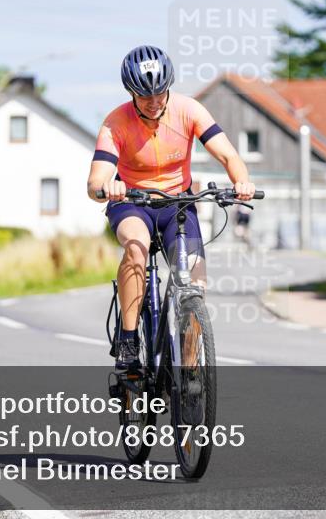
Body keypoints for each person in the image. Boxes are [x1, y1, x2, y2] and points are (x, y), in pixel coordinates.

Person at [86, 45, 256, 374]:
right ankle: (129, 339)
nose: (154, 102)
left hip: (178, 204)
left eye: (160, 92)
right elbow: (96, 178)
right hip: (133, 204)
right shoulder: (115, 123)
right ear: (131, 93)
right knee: (136, 249)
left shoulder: (189, 110)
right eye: (144, 95)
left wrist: (241, 182)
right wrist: (107, 186)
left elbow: (228, 155)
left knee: (195, 283)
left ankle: (190, 374)